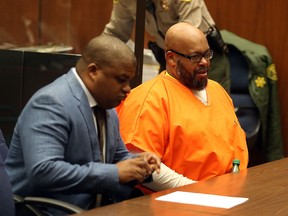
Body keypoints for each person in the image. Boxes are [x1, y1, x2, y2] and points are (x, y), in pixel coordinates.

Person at [4, 35, 161, 213]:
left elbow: (118, 158)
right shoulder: (51, 103)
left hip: (97, 209)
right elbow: (43, 171)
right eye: (121, 80)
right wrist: (115, 173)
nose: (127, 89)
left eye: (129, 81)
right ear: (93, 71)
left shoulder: (106, 105)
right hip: (47, 210)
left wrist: (139, 163)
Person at [116, 22, 248, 192]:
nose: (205, 63)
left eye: (207, 54)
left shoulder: (217, 90)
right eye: (195, 57)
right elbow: (139, 163)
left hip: (233, 191)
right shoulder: (148, 98)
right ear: (171, 58)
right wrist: (194, 191)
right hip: (179, 200)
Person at [102, 0, 230, 92]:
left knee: (210, 112)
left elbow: (188, 33)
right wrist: (91, 57)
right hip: (171, 60)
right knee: (167, 111)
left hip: (202, 60)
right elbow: (115, 33)